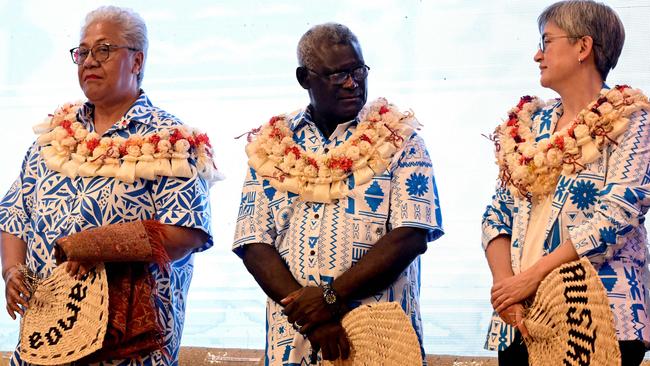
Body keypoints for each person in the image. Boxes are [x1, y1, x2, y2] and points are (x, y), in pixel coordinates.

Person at [0, 6, 217, 365]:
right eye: (82, 52)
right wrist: (12, 272)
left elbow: (186, 234)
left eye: (103, 50)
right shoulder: (53, 136)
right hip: (47, 338)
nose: (88, 61)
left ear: (136, 61)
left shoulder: (174, 141)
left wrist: (96, 245)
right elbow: (13, 215)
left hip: (126, 346)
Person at [233, 22, 443, 365]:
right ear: (305, 79)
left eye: (358, 70)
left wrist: (330, 300)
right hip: (296, 337)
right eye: (337, 75)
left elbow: (411, 235)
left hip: (380, 338)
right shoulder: (272, 144)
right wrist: (311, 319)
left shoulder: (400, 138)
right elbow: (252, 242)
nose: (352, 83)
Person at [482, 1, 650, 365]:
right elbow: (496, 213)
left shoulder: (631, 120)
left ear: (583, 47)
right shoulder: (530, 124)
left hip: (600, 317)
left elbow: (617, 215)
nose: (536, 54)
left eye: (546, 41)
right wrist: (507, 289)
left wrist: (532, 278)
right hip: (523, 319)